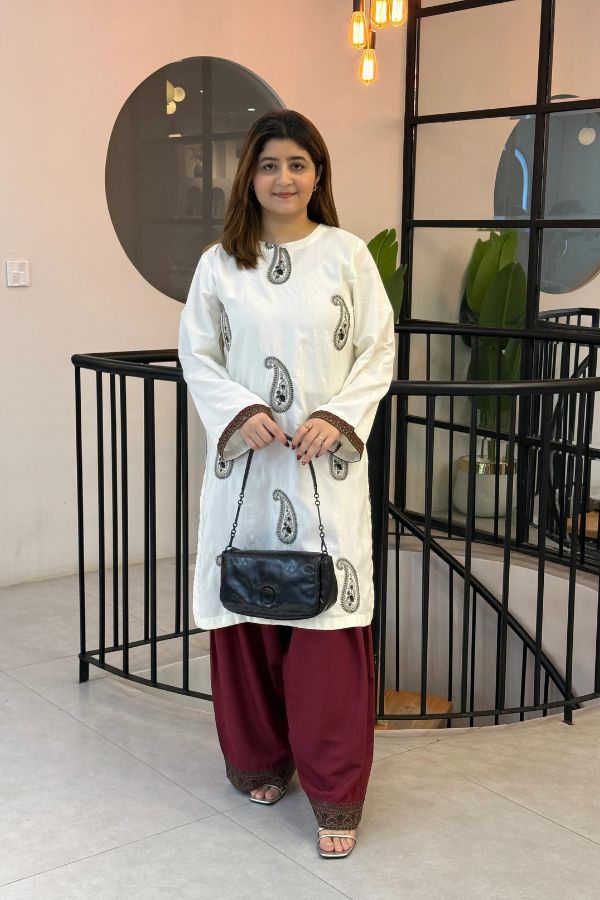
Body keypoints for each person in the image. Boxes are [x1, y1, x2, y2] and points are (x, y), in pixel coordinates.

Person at [178, 109, 396, 859]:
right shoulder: (220, 263)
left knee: (326, 629)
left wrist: (337, 416)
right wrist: (240, 411)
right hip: (245, 468)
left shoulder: (348, 257)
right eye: (270, 164)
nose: (284, 178)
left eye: (298, 164)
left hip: (322, 471)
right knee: (247, 612)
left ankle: (334, 789)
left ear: (319, 173)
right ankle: (260, 760)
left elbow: (377, 350)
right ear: (251, 175)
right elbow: (197, 353)